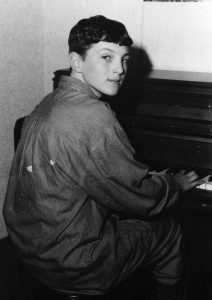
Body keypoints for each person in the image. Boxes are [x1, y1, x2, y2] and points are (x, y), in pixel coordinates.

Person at [3, 15, 203, 299]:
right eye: (106, 57)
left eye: (124, 59)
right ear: (76, 61)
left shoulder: (51, 101)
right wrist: (175, 184)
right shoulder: (95, 117)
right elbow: (141, 199)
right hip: (74, 266)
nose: (119, 69)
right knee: (168, 229)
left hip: (29, 249)